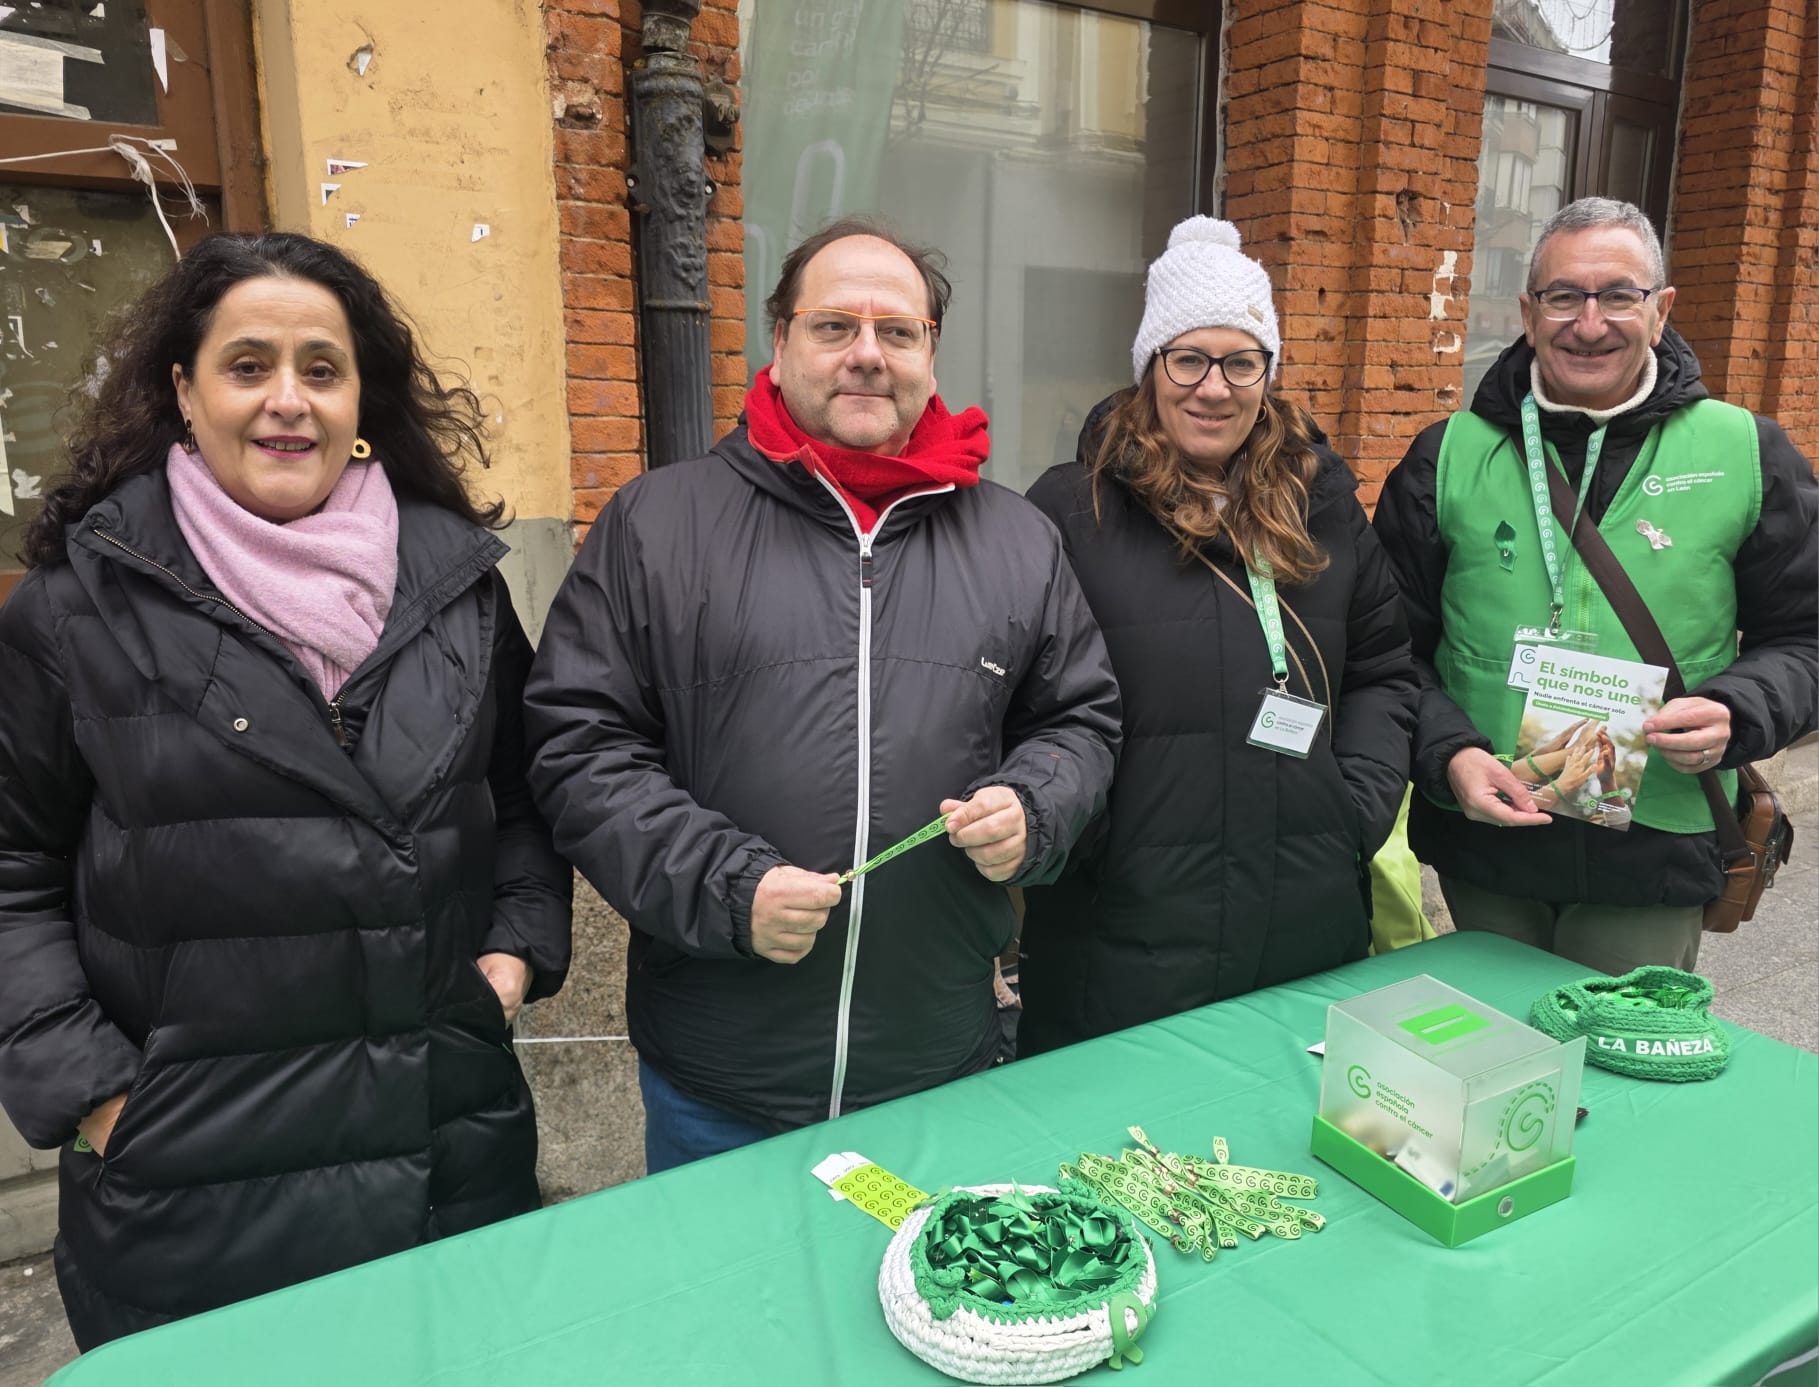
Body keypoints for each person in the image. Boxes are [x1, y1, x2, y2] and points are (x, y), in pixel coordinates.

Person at [0, 233, 573, 1349]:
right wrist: (100, 1096)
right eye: (247, 364)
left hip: (445, 1149)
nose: (286, 402)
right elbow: (10, 868)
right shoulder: (77, 609)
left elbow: (520, 806)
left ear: (361, 395)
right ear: (183, 388)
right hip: (193, 1183)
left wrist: (513, 953)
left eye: (321, 367)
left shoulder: (455, 588)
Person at [524, 217, 1120, 1170]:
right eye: (834, 326)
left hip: (936, 1063)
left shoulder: (1014, 539)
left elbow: (1078, 718)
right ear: (780, 342)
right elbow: (578, 745)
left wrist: (1036, 804)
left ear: (930, 353)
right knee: (727, 1314)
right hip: (721, 1082)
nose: (867, 356)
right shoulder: (659, 523)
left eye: (898, 332)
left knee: (928, 1316)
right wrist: (726, 887)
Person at [1375, 197, 1818, 974]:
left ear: (1660, 309)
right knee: (1486, 1064)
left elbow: (1806, 636)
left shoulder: (1746, 452)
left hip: (1654, 845)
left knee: (1620, 1078)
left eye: (1617, 295)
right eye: (1562, 296)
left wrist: (1736, 709)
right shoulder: (1444, 457)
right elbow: (1384, 652)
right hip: (1488, 841)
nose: (1588, 323)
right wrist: (1444, 753)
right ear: (1527, 310)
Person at [1016, 218, 1417, 1055]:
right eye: (1188, 358)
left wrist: (1355, 806)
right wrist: (1084, 840)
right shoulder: (1067, 512)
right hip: (1120, 939)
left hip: (1305, 926)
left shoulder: (1328, 510)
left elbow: (1383, 667)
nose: (1214, 387)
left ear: (1266, 373)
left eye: (1240, 361)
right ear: (1149, 368)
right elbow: (1020, 699)